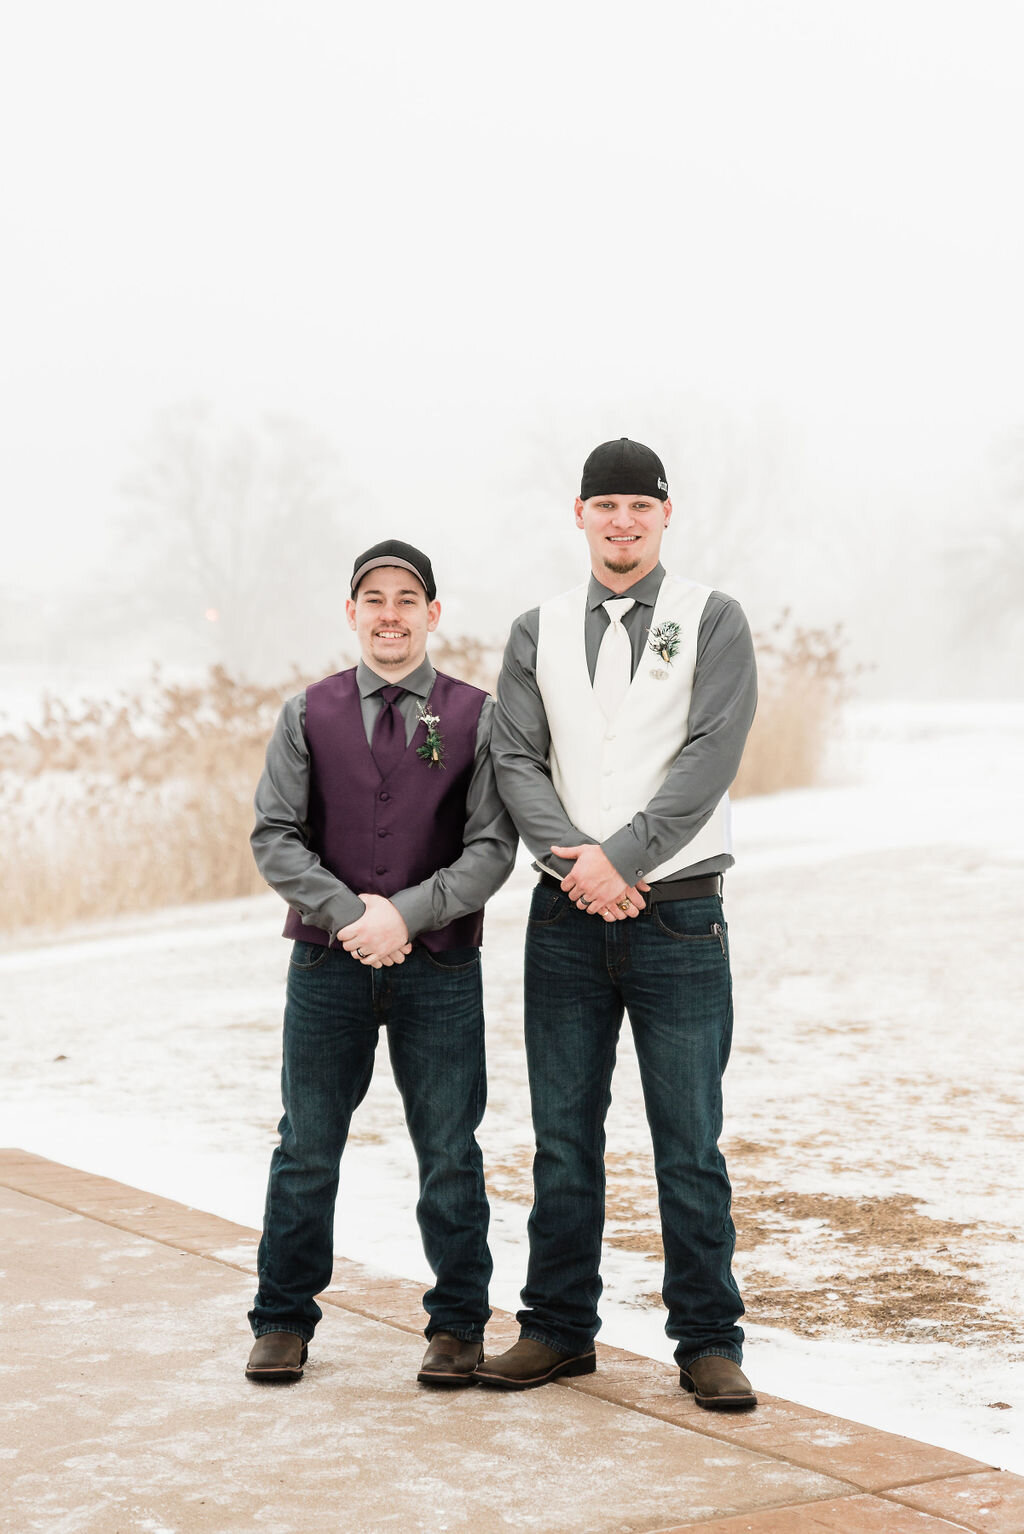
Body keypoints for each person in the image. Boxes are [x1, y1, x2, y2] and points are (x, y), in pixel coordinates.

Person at [479, 438, 758, 1410]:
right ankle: (556, 1328)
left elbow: (709, 755)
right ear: (581, 514)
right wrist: (574, 863)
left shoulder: (710, 619)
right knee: (562, 1138)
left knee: (687, 1140)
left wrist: (622, 859)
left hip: (678, 918)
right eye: (606, 505)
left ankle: (708, 1341)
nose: (623, 521)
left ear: (665, 515)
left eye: (640, 505)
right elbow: (515, 758)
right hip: (563, 922)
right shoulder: (537, 628)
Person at [246, 539, 517, 1387]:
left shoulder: (477, 713)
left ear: (433, 614)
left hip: (439, 967)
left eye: (408, 599)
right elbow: (276, 836)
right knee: (306, 1146)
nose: (390, 613)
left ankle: (457, 1326)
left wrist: (406, 914)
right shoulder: (308, 713)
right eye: (375, 599)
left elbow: (491, 848)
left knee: (449, 1148)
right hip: (327, 968)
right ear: (353, 612)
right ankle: (283, 1319)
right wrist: (350, 916)